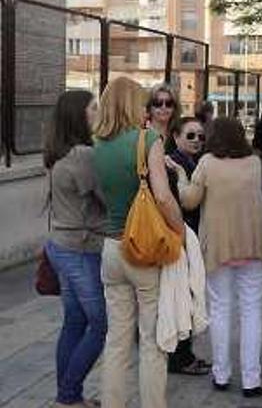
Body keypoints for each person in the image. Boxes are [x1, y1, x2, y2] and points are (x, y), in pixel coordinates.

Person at [170, 117, 262, 398]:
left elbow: (189, 201)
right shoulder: (258, 163)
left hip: (217, 249)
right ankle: (251, 380)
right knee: (252, 312)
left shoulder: (206, 163)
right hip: (252, 247)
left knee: (219, 310)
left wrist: (182, 177)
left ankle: (221, 375)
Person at [93, 76, 184, 408]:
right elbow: (162, 196)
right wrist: (180, 232)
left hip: (111, 248)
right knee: (151, 341)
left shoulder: (97, 145)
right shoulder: (147, 140)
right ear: (135, 105)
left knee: (116, 340)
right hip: (143, 250)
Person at [43, 91, 106, 408]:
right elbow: (107, 199)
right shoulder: (84, 155)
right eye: (94, 107)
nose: (99, 111)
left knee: (75, 322)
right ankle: (67, 397)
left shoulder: (59, 152)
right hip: (80, 249)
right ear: (79, 115)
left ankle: (69, 397)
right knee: (100, 324)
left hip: (61, 245)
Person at [164, 116, 211, 376]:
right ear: (176, 137)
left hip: (188, 236)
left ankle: (185, 354)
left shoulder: (191, 162)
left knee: (187, 296)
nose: (196, 141)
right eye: (190, 136)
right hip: (180, 237)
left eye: (201, 136)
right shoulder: (173, 163)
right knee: (183, 298)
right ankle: (180, 357)